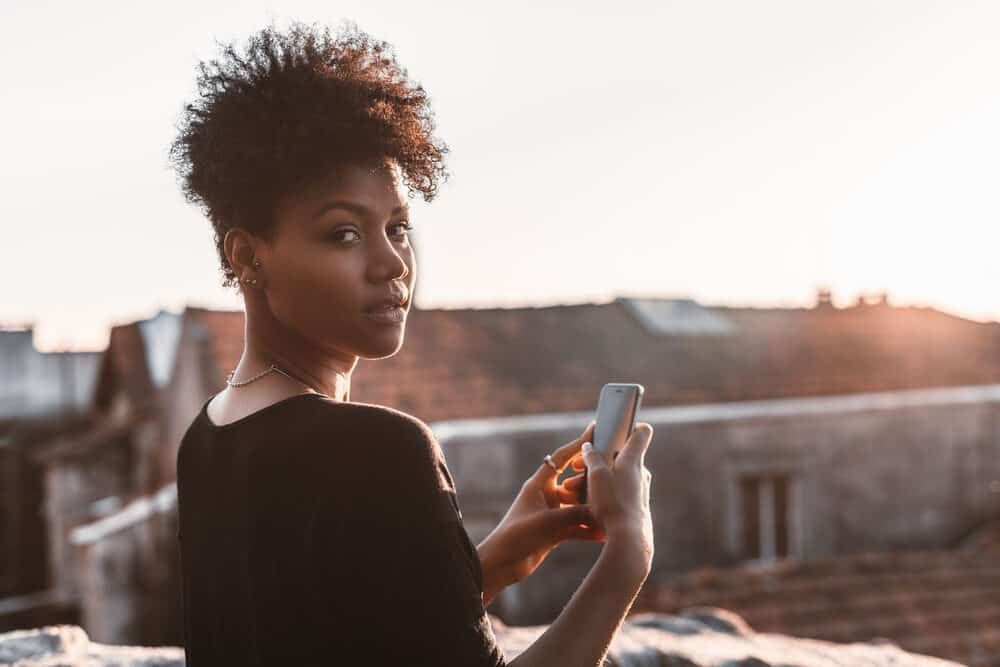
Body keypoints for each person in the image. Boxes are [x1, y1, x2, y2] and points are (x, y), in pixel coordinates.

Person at [168, 19, 655, 666]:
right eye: (344, 233)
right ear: (247, 255)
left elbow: (323, 631)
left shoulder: (205, 441)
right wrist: (628, 555)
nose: (392, 263)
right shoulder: (384, 450)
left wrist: (494, 558)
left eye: (398, 227)